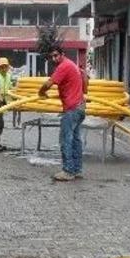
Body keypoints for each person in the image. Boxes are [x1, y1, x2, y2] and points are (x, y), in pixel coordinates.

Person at [39, 48, 86, 181]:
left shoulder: (63, 66)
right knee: (76, 140)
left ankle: (68, 171)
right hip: (80, 107)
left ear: (62, 55)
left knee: (66, 139)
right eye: (52, 56)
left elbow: (49, 83)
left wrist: (41, 92)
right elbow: (85, 81)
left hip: (72, 108)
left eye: (56, 56)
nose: (54, 59)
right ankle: (76, 169)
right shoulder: (72, 65)